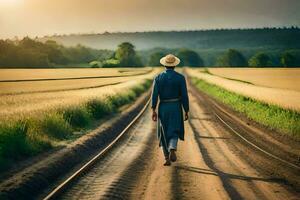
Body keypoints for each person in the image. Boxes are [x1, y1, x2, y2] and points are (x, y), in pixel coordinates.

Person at [151, 54, 189, 166]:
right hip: (176, 106)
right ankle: (172, 147)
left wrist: (153, 109)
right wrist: (186, 110)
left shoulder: (158, 78)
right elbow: (184, 96)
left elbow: (154, 95)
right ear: (175, 65)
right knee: (174, 129)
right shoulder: (180, 78)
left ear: (164, 64)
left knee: (163, 132)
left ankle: (167, 158)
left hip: (163, 107)